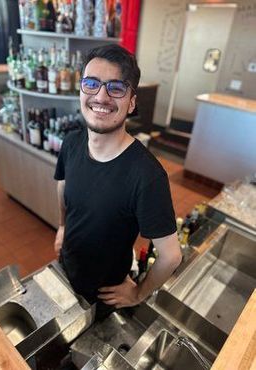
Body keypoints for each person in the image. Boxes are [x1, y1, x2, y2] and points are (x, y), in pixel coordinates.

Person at [54, 44, 182, 310]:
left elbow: (171, 256)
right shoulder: (71, 143)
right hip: (66, 264)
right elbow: (63, 186)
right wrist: (63, 226)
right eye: (91, 84)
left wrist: (139, 294)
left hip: (105, 291)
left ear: (132, 101)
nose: (101, 97)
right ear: (81, 90)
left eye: (116, 87)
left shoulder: (147, 175)